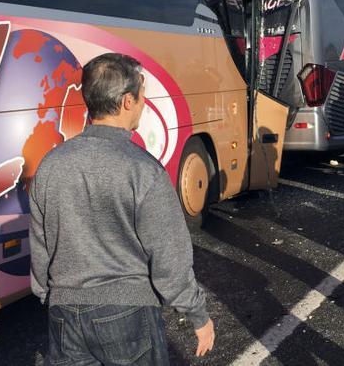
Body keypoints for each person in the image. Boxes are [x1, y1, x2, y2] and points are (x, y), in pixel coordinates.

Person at [30, 53, 215, 365]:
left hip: (63, 313)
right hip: (126, 312)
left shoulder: (51, 165)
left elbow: (40, 242)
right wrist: (198, 315)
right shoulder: (143, 170)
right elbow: (169, 257)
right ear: (128, 101)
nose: (144, 103)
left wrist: (47, 294)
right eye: (142, 95)